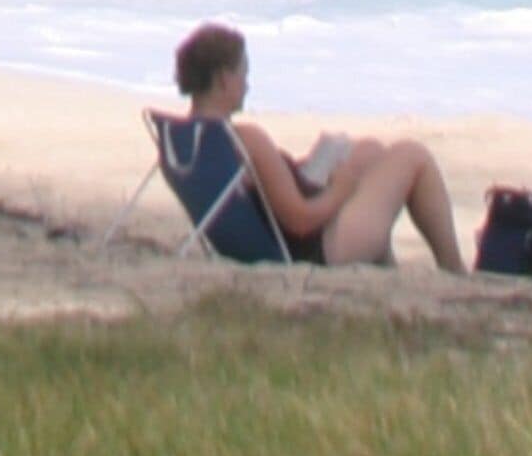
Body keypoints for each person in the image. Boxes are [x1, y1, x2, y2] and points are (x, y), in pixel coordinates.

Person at [175, 21, 468, 272]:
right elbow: (299, 221)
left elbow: (259, 194)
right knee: (412, 155)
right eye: (243, 75)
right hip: (315, 250)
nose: (247, 86)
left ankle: (385, 264)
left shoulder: (189, 140)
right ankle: (454, 269)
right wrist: (340, 190)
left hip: (290, 239)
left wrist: (302, 169)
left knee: (370, 152)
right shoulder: (246, 139)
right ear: (225, 80)